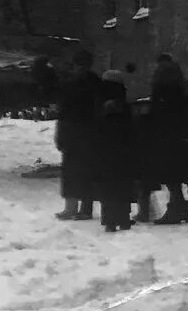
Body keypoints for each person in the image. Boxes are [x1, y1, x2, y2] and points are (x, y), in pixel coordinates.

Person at [146, 54, 188, 225]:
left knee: (171, 176)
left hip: (166, 134)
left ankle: (177, 209)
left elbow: (156, 109)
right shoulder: (182, 83)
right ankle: (182, 208)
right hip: (181, 134)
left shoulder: (161, 84)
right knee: (175, 175)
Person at [54, 49, 101, 221]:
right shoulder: (94, 82)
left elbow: (63, 111)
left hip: (75, 132)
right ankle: (82, 208)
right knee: (84, 171)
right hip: (85, 132)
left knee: (73, 171)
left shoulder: (71, 83)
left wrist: (60, 133)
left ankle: (73, 207)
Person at [93, 70, 138, 231]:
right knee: (122, 183)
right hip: (123, 150)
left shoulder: (99, 101)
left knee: (107, 184)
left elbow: (96, 126)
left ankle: (109, 219)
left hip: (104, 149)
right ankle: (123, 217)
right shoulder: (123, 103)